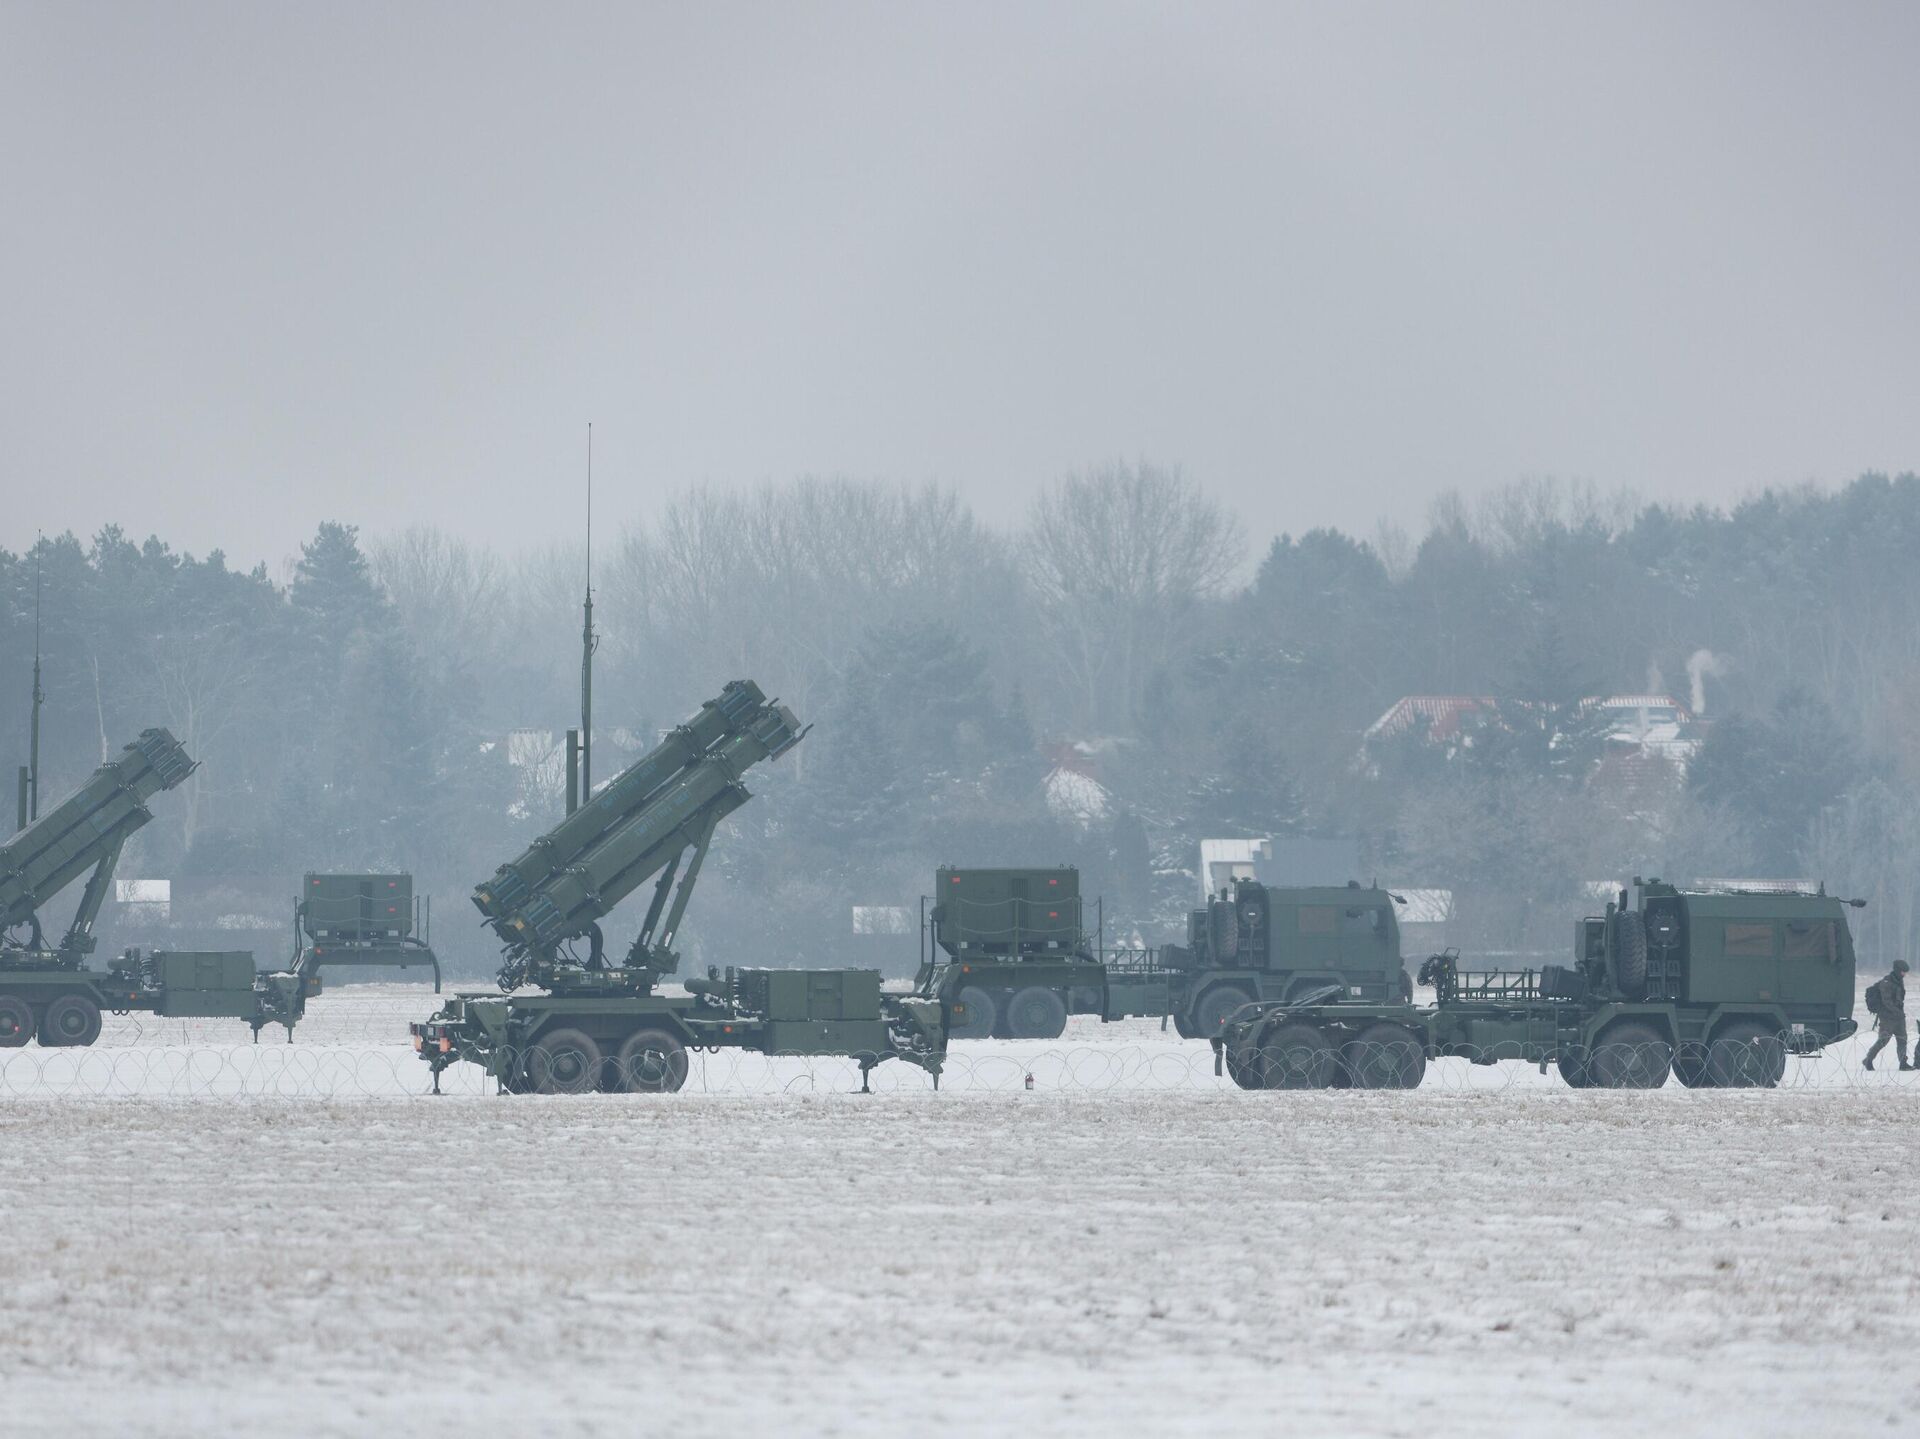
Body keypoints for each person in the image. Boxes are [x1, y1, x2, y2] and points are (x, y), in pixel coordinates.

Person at [1864, 958, 1911, 1071]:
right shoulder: (1886, 982)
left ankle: (1903, 1063)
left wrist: (1899, 1014)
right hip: (1887, 1017)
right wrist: (1897, 1012)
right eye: (1902, 972)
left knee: (1902, 1040)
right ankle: (1868, 1059)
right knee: (1883, 1040)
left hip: (1898, 1017)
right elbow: (1887, 1002)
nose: (1904, 974)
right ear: (1897, 970)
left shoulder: (1899, 981)